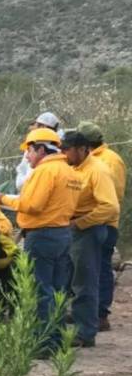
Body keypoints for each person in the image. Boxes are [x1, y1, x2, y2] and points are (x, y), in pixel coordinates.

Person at [0, 128, 82, 352]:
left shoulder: (45, 171)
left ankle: (43, 344)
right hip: (62, 234)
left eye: (29, 151)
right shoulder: (70, 172)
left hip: (42, 235)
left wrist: (2, 199)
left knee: (40, 289)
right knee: (57, 290)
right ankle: (56, 340)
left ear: (41, 149)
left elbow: (31, 205)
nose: (27, 156)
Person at [62, 131, 119, 347]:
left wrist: (81, 222)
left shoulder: (98, 171)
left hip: (89, 230)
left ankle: (85, 333)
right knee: (70, 279)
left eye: (68, 149)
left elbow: (110, 207)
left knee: (85, 282)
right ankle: (76, 324)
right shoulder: (73, 168)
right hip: (73, 229)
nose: (64, 154)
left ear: (82, 149)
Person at [78, 121, 125, 332]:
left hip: (105, 222)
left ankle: (100, 314)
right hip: (93, 221)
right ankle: (90, 312)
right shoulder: (92, 159)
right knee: (90, 269)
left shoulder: (109, 160)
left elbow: (113, 196)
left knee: (102, 268)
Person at [15, 112, 60, 191]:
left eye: (35, 124)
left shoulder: (35, 149)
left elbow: (22, 183)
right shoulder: (60, 151)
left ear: (43, 127)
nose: (32, 127)